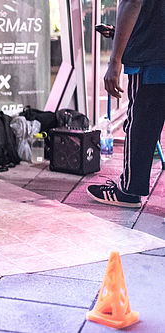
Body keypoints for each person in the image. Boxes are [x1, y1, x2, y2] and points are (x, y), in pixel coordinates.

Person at [87, 0, 165, 208]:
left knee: (140, 127)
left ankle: (129, 190)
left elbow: (133, 2)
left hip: (152, 59)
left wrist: (115, 61)